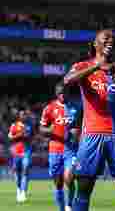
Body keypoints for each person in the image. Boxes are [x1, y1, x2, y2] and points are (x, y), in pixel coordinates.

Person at [64, 29, 115, 211]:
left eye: (113, 39)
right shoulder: (82, 66)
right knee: (83, 189)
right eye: (106, 38)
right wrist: (96, 66)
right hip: (92, 134)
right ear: (95, 44)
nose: (110, 41)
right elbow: (68, 80)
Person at [40, 82, 81, 211]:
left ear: (68, 93)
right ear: (56, 94)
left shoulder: (76, 107)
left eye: (64, 92)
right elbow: (41, 128)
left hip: (70, 149)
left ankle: (70, 205)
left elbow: (80, 126)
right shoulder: (49, 108)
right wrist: (50, 130)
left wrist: (76, 132)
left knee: (69, 178)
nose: (62, 95)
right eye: (60, 93)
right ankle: (61, 208)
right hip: (55, 149)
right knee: (58, 183)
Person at [8, 108, 33, 203]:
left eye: (25, 114)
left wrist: (23, 135)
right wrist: (19, 135)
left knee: (26, 169)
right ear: (19, 116)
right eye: (22, 114)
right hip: (16, 152)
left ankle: (23, 192)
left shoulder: (29, 126)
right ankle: (18, 189)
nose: (24, 116)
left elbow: (28, 136)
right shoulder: (14, 125)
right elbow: (10, 137)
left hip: (26, 151)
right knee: (17, 172)